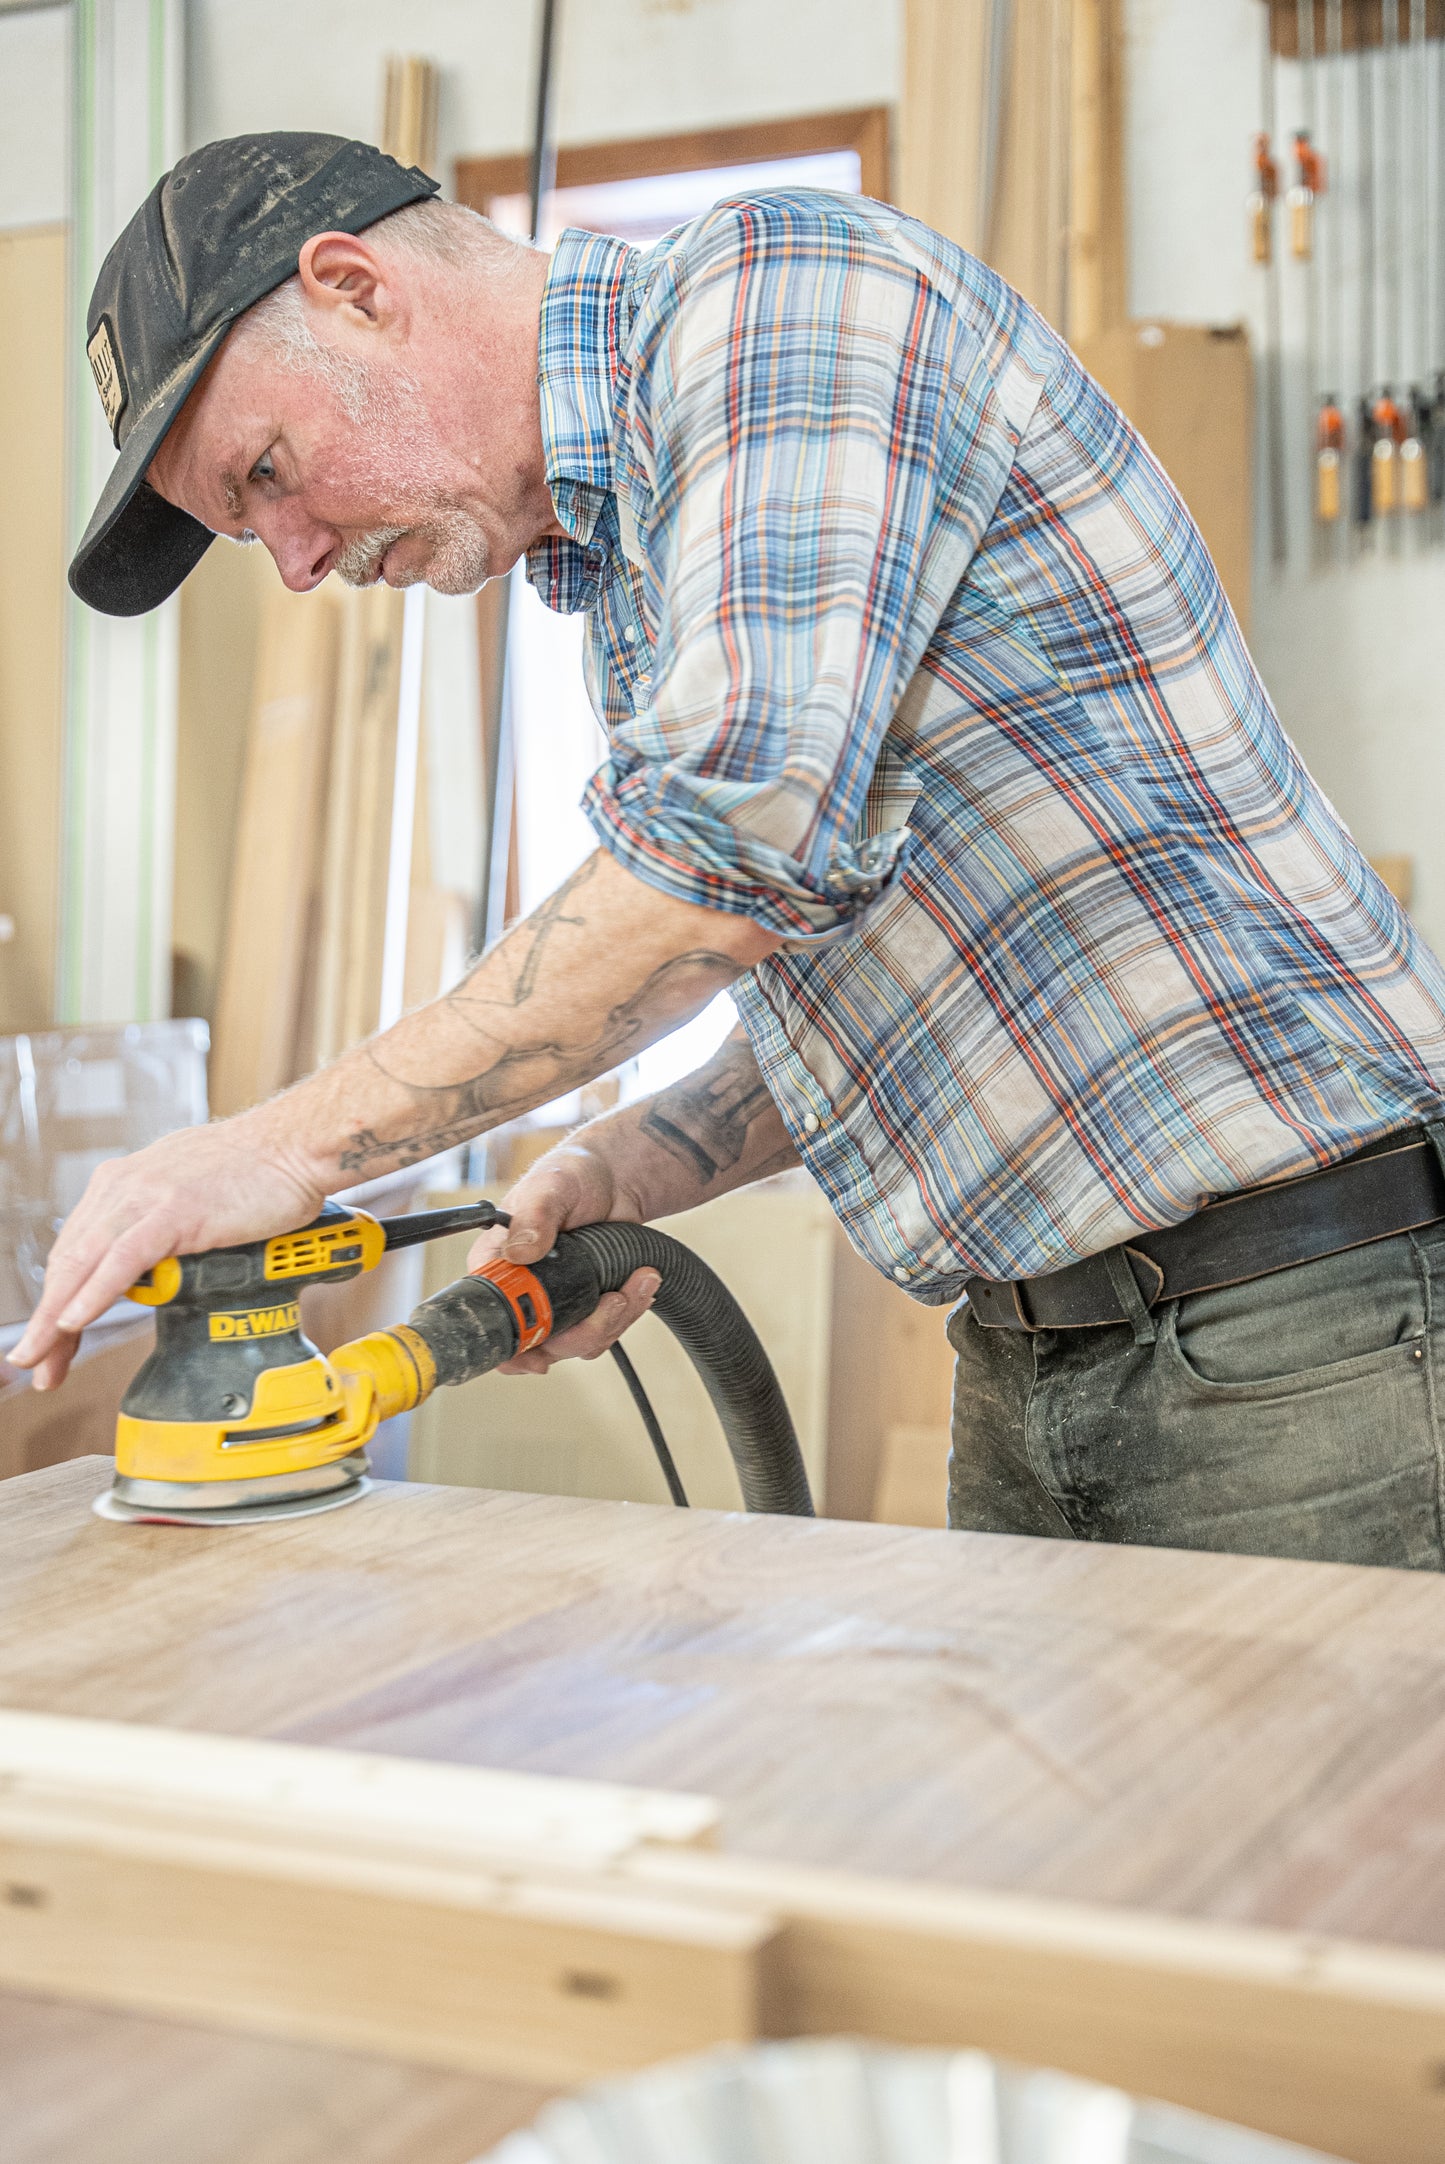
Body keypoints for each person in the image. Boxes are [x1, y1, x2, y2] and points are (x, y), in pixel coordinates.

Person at [18, 131, 1445, 1569]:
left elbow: (734, 847)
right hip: (1041, 1346)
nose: (297, 560)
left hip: (1306, 1317)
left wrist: (281, 1147)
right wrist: (638, 1160)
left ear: (354, 289)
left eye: (265, 472)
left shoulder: (776, 300)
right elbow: (882, 950)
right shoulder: (634, 560)